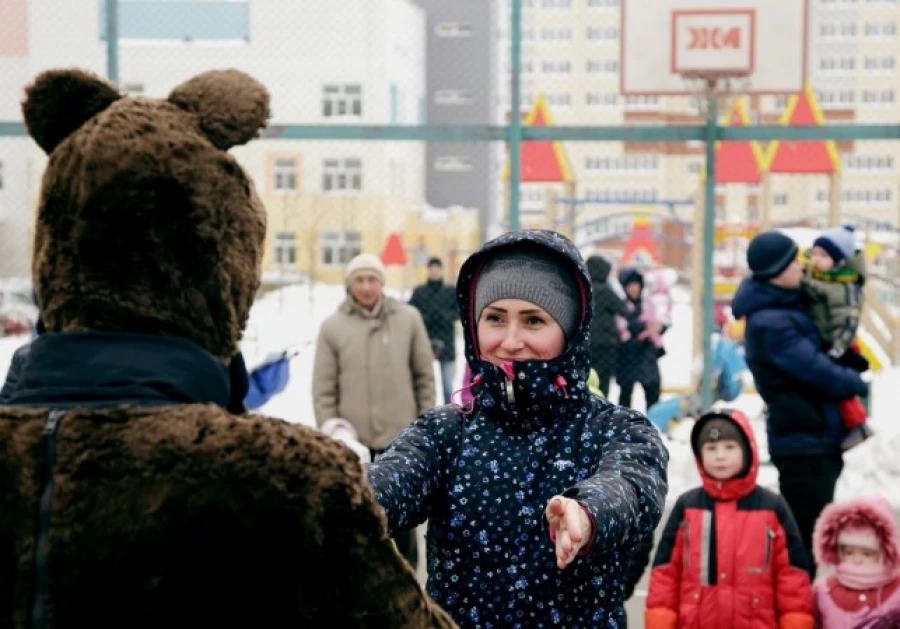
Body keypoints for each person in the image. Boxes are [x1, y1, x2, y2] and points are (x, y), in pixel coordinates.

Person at [0, 67, 455, 627]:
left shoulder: (405, 320)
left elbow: (421, 375)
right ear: (229, 264)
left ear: (53, 255)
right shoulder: (290, 483)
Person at [367, 229, 669, 628]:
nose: (510, 341)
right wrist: (332, 500)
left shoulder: (616, 430)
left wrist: (587, 513)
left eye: (533, 320)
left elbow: (631, 485)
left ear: (571, 330)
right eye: (494, 318)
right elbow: (385, 486)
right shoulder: (445, 433)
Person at [732, 230, 869, 576]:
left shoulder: (784, 306)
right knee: (802, 541)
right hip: (802, 441)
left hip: (811, 436)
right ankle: (796, 613)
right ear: (778, 270)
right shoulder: (771, 321)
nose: (802, 266)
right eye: (795, 261)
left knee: (807, 536)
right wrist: (854, 382)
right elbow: (816, 370)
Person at [313, 252, 436, 567]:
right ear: (349, 284)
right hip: (355, 444)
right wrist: (333, 432)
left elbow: (424, 376)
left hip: (402, 439)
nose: (366, 287)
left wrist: (425, 425)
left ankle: (408, 579)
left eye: (372, 279)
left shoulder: (408, 319)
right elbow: (324, 390)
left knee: (404, 524)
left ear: (382, 282)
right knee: (358, 519)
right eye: (359, 280)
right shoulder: (333, 328)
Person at [646, 409, 814, 629]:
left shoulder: (773, 508)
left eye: (730, 447)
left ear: (748, 450)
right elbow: (665, 574)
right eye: (711, 448)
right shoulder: (687, 506)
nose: (720, 456)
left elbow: (792, 578)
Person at [803, 225, 872, 451]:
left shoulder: (845, 287)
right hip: (823, 343)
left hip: (837, 346)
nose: (816, 260)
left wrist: (838, 349)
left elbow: (849, 320)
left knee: (839, 389)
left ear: (840, 261)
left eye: (823, 255)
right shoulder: (822, 279)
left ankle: (857, 423)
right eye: (814, 254)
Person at [812, 496, 900, 628]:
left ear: (885, 552)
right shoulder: (823, 591)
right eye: (849, 552)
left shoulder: (896, 591)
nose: (857, 560)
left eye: (867, 553)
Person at [409, 256, 459, 404]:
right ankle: (426, 414)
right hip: (424, 341)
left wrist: (446, 316)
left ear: (441, 270)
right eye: (432, 269)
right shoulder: (419, 292)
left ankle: (450, 414)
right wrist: (425, 317)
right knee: (424, 383)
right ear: (428, 270)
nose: (435, 272)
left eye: (437, 269)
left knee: (447, 386)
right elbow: (411, 312)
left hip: (446, 340)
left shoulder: (450, 291)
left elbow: (460, 312)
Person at [616, 268, 665, 410]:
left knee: (652, 389)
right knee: (625, 392)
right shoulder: (621, 305)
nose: (634, 289)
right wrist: (642, 326)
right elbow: (622, 327)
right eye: (630, 285)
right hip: (628, 353)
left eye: (636, 285)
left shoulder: (648, 304)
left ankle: (653, 420)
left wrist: (653, 329)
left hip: (646, 352)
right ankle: (624, 426)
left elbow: (658, 324)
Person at [585, 255, 627, 397]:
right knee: (604, 378)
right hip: (606, 342)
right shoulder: (606, 291)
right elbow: (623, 309)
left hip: (586, 340)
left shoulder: (585, 291)